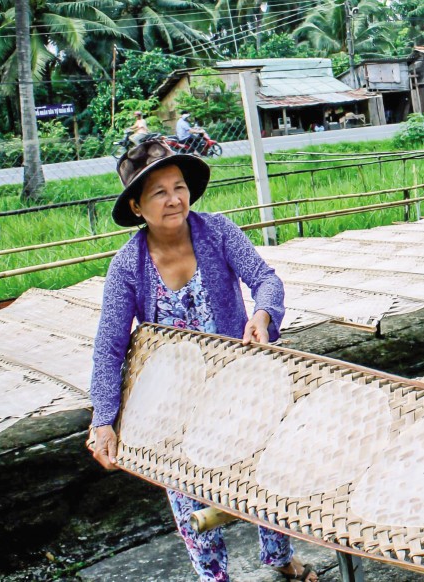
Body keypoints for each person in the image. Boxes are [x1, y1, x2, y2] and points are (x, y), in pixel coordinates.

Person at [88, 139, 319, 582]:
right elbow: (109, 345)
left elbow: (265, 279)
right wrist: (104, 418)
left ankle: (278, 557)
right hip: (174, 404)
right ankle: (213, 576)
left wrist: (262, 315)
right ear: (137, 207)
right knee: (188, 494)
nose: (174, 199)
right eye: (158, 192)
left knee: (259, 476)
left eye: (179, 187)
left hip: (239, 382)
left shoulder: (217, 231)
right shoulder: (127, 266)